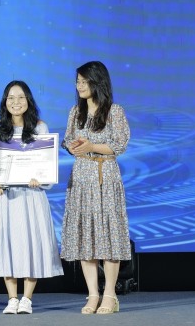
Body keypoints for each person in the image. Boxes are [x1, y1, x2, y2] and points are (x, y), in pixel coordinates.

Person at [0, 81, 63, 314]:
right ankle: (12, 298)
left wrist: (42, 178)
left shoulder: (40, 127)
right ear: (4, 102)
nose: (15, 102)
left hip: (32, 196)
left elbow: (47, 162)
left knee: (32, 243)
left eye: (20, 97)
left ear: (28, 101)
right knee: (6, 244)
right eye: (10, 97)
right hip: (5, 197)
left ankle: (27, 298)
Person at [60, 61, 131, 315]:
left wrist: (92, 147)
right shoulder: (75, 112)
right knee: (85, 235)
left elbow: (119, 144)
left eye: (84, 81)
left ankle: (110, 295)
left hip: (105, 176)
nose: (79, 86)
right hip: (81, 177)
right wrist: (73, 146)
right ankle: (92, 294)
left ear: (97, 82)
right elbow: (67, 140)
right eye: (77, 81)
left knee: (109, 235)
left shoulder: (114, 111)